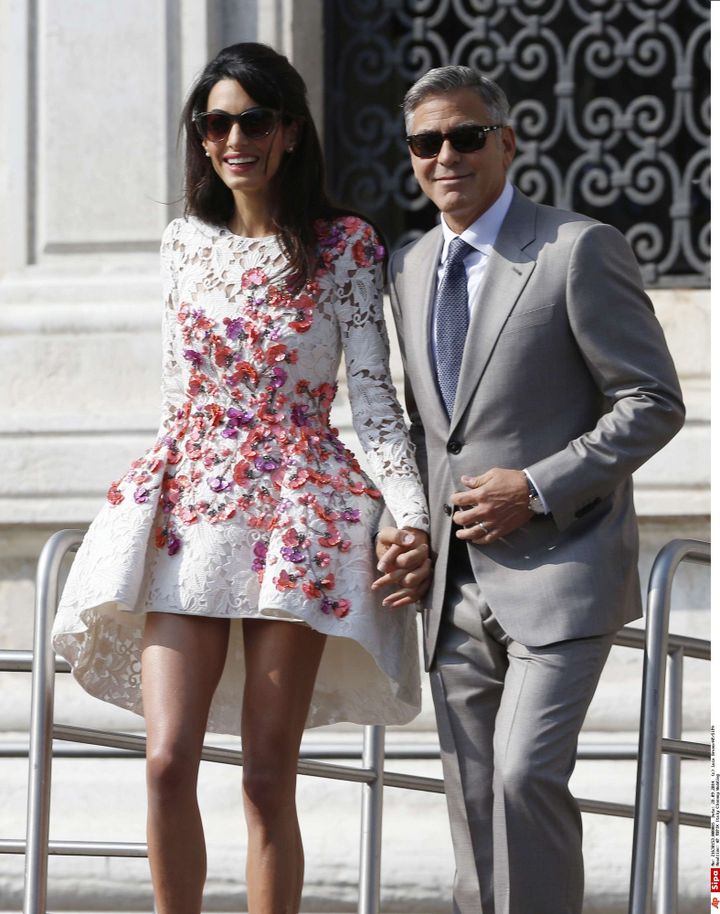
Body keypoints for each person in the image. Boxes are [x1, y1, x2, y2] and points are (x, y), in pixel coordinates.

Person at [52, 42, 430, 914]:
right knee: (164, 758)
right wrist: (142, 507)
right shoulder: (183, 242)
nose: (234, 138)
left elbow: (374, 403)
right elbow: (176, 396)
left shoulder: (345, 245)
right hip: (192, 505)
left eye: (253, 120)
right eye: (214, 122)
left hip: (299, 514)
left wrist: (410, 518)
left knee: (266, 776)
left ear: (291, 131)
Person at [374, 66, 685, 914]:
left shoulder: (577, 249)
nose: (447, 155)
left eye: (467, 136)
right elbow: (420, 426)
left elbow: (653, 402)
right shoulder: (405, 265)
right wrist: (401, 527)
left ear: (505, 143)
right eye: (426, 142)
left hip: (563, 572)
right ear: (411, 158)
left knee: (523, 777)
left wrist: (538, 487)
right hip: (451, 589)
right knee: (474, 807)